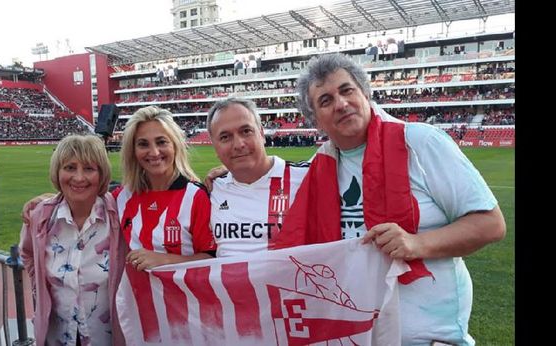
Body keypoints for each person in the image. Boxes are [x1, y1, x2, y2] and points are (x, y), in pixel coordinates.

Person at [276, 53, 506, 346]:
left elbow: (491, 224)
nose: (341, 104)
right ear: (316, 121)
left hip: (432, 338)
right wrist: (223, 178)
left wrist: (417, 243)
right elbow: (263, 179)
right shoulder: (317, 169)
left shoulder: (421, 142)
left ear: (364, 94)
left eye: (347, 90)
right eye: (325, 100)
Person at [19, 134, 126, 346]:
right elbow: (27, 253)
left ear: (101, 174)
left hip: (105, 337)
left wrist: (212, 176)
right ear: (57, 172)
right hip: (56, 336)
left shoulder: (119, 216)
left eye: (89, 168)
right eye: (69, 168)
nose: (78, 178)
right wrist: (39, 286)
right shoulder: (41, 216)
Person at [113, 106, 216, 270]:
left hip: (183, 295)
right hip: (136, 295)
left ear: (175, 145)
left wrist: (164, 260)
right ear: (133, 151)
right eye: (143, 144)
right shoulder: (121, 196)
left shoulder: (196, 196)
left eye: (161, 142)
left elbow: (211, 258)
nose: (154, 152)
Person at [205, 97, 309, 257]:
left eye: (246, 131)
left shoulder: (305, 178)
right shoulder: (212, 190)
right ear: (214, 146)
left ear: (261, 133)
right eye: (225, 137)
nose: (238, 144)